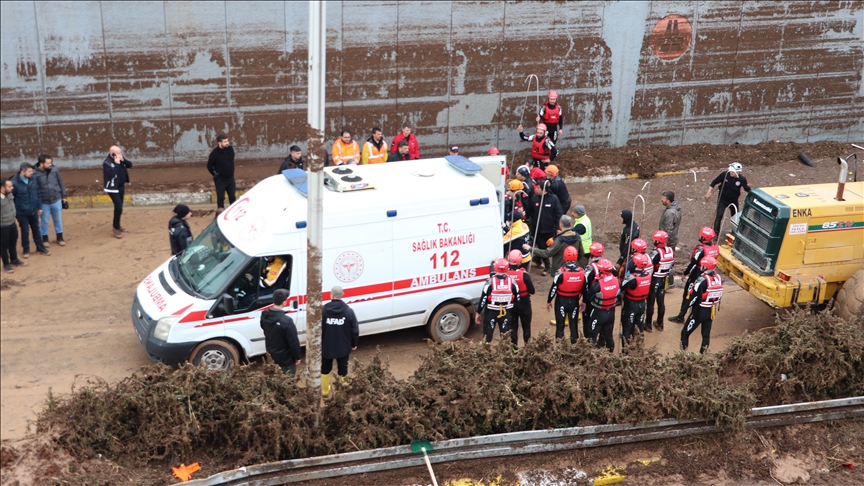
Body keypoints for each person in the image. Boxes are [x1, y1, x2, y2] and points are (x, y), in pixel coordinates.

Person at [669, 227, 719, 324]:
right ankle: (695, 316)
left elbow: (694, 263)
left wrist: (685, 273)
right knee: (700, 296)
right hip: (709, 275)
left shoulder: (701, 249)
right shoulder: (715, 248)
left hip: (697, 274)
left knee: (688, 295)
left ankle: (681, 316)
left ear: (704, 237)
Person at [321, 285, 359, 397]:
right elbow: (354, 330)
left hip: (326, 346)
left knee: (325, 368)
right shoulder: (348, 311)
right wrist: (354, 343)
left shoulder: (324, 311)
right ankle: (341, 391)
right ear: (343, 295)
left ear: (331, 295)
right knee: (343, 368)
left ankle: (325, 391)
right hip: (343, 346)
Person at [681, 256, 723, 354]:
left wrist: (685, 309)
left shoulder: (702, 280)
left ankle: (682, 356)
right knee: (705, 335)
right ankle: (703, 357)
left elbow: (694, 297)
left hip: (699, 311)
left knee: (685, 333)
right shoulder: (718, 278)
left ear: (706, 267)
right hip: (711, 311)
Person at [476, 258, 520, 344]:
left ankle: (486, 353)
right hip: (506, 311)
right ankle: (504, 354)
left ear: (495, 268)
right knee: (505, 336)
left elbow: (483, 298)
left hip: (491, 311)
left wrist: (478, 312)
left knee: (487, 336)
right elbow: (518, 298)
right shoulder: (513, 281)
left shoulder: (489, 282)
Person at [260, 288, 302, 377]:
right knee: (288, 383)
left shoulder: (264, 316)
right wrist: (297, 356)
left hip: (271, 357)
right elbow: (293, 342)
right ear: (284, 302)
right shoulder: (287, 320)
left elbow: (264, 329)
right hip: (286, 360)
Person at [547, 246, 585, 343]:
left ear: (564, 257)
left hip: (561, 300)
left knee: (560, 326)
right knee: (574, 326)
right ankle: (574, 350)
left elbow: (554, 287)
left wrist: (549, 301)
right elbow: (586, 288)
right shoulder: (582, 271)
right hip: (574, 301)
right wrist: (584, 301)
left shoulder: (560, 272)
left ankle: (560, 350)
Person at [582, 258, 620, 352]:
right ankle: (610, 356)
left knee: (592, 336)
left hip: (598, 312)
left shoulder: (597, 284)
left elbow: (588, 297)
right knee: (609, 336)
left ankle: (591, 358)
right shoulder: (617, 281)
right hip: (611, 312)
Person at [12, 163, 49, 256]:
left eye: (32, 171)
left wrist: (39, 207)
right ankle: (26, 248)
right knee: (25, 231)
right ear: (22, 172)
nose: (32, 173)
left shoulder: (33, 179)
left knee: (36, 229)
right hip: (21, 212)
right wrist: (15, 212)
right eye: (29, 171)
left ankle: (40, 246)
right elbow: (12, 198)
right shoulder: (14, 183)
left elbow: (37, 193)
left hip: (34, 210)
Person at [528, 179, 563, 275]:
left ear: (545, 189)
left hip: (550, 229)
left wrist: (558, 228)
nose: (536, 189)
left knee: (549, 247)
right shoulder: (534, 198)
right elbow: (529, 211)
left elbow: (558, 214)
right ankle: (548, 266)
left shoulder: (554, 199)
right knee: (542, 247)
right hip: (537, 229)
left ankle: (537, 258)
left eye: (538, 188)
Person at [706, 162, 751, 235]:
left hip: (733, 200)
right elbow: (714, 182)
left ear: (737, 172)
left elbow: (747, 189)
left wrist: (753, 195)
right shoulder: (725, 174)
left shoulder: (742, 180)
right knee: (719, 215)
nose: (731, 173)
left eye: (733, 172)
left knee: (735, 217)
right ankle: (715, 233)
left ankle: (734, 232)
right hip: (723, 199)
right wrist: (708, 192)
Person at [620, 253, 652, 347]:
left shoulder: (631, 277)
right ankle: (639, 349)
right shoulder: (648, 275)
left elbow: (621, 287)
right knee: (640, 328)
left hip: (631, 304)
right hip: (642, 304)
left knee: (627, 328)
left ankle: (625, 352)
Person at [34, 154, 67, 247]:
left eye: (50, 162)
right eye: (48, 163)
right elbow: (34, 189)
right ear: (41, 164)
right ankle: (45, 239)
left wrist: (63, 196)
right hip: (43, 202)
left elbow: (60, 182)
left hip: (56, 199)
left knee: (58, 219)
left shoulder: (54, 169)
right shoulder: (34, 173)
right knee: (44, 220)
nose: (50, 164)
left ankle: (60, 237)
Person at [645, 230, 674, 332]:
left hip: (655, 279)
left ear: (658, 241)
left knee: (650, 302)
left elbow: (647, 264)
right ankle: (660, 323)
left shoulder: (656, 253)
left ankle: (648, 324)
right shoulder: (670, 250)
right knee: (661, 302)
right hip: (664, 279)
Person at [506, 249, 535, 347]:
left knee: (513, 328)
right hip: (524, 304)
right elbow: (532, 290)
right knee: (526, 327)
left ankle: (514, 351)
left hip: (511, 304)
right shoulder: (524, 275)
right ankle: (528, 350)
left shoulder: (505, 274)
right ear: (520, 261)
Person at [1, 179, 27, 273]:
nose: (12, 188)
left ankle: (14, 259)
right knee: (3, 246)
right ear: (3, 188)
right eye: (10, 186)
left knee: (13, 243)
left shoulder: (9, 194)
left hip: (12, 223)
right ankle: (6, 264)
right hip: (3, 227)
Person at [581, 242, 605, 340]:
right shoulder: (607, 264)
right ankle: (602, 339)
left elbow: (585, 283)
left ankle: (588, 339)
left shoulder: (590, 267)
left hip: (592, 296)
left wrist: (584, 300)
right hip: (605, 295)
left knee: (588, 317)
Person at [207, 134, 236, 214]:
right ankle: (221, 214)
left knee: (232, 196)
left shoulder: (230, 149)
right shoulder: (214, 154)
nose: (227, 143)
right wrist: (214, 174)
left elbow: (231, 160)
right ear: (219, 143)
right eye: (225, 142)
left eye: (227, 141)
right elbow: (209, 166)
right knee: (221, 197)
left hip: (230, 178)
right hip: (220, 180)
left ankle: (234, 213)